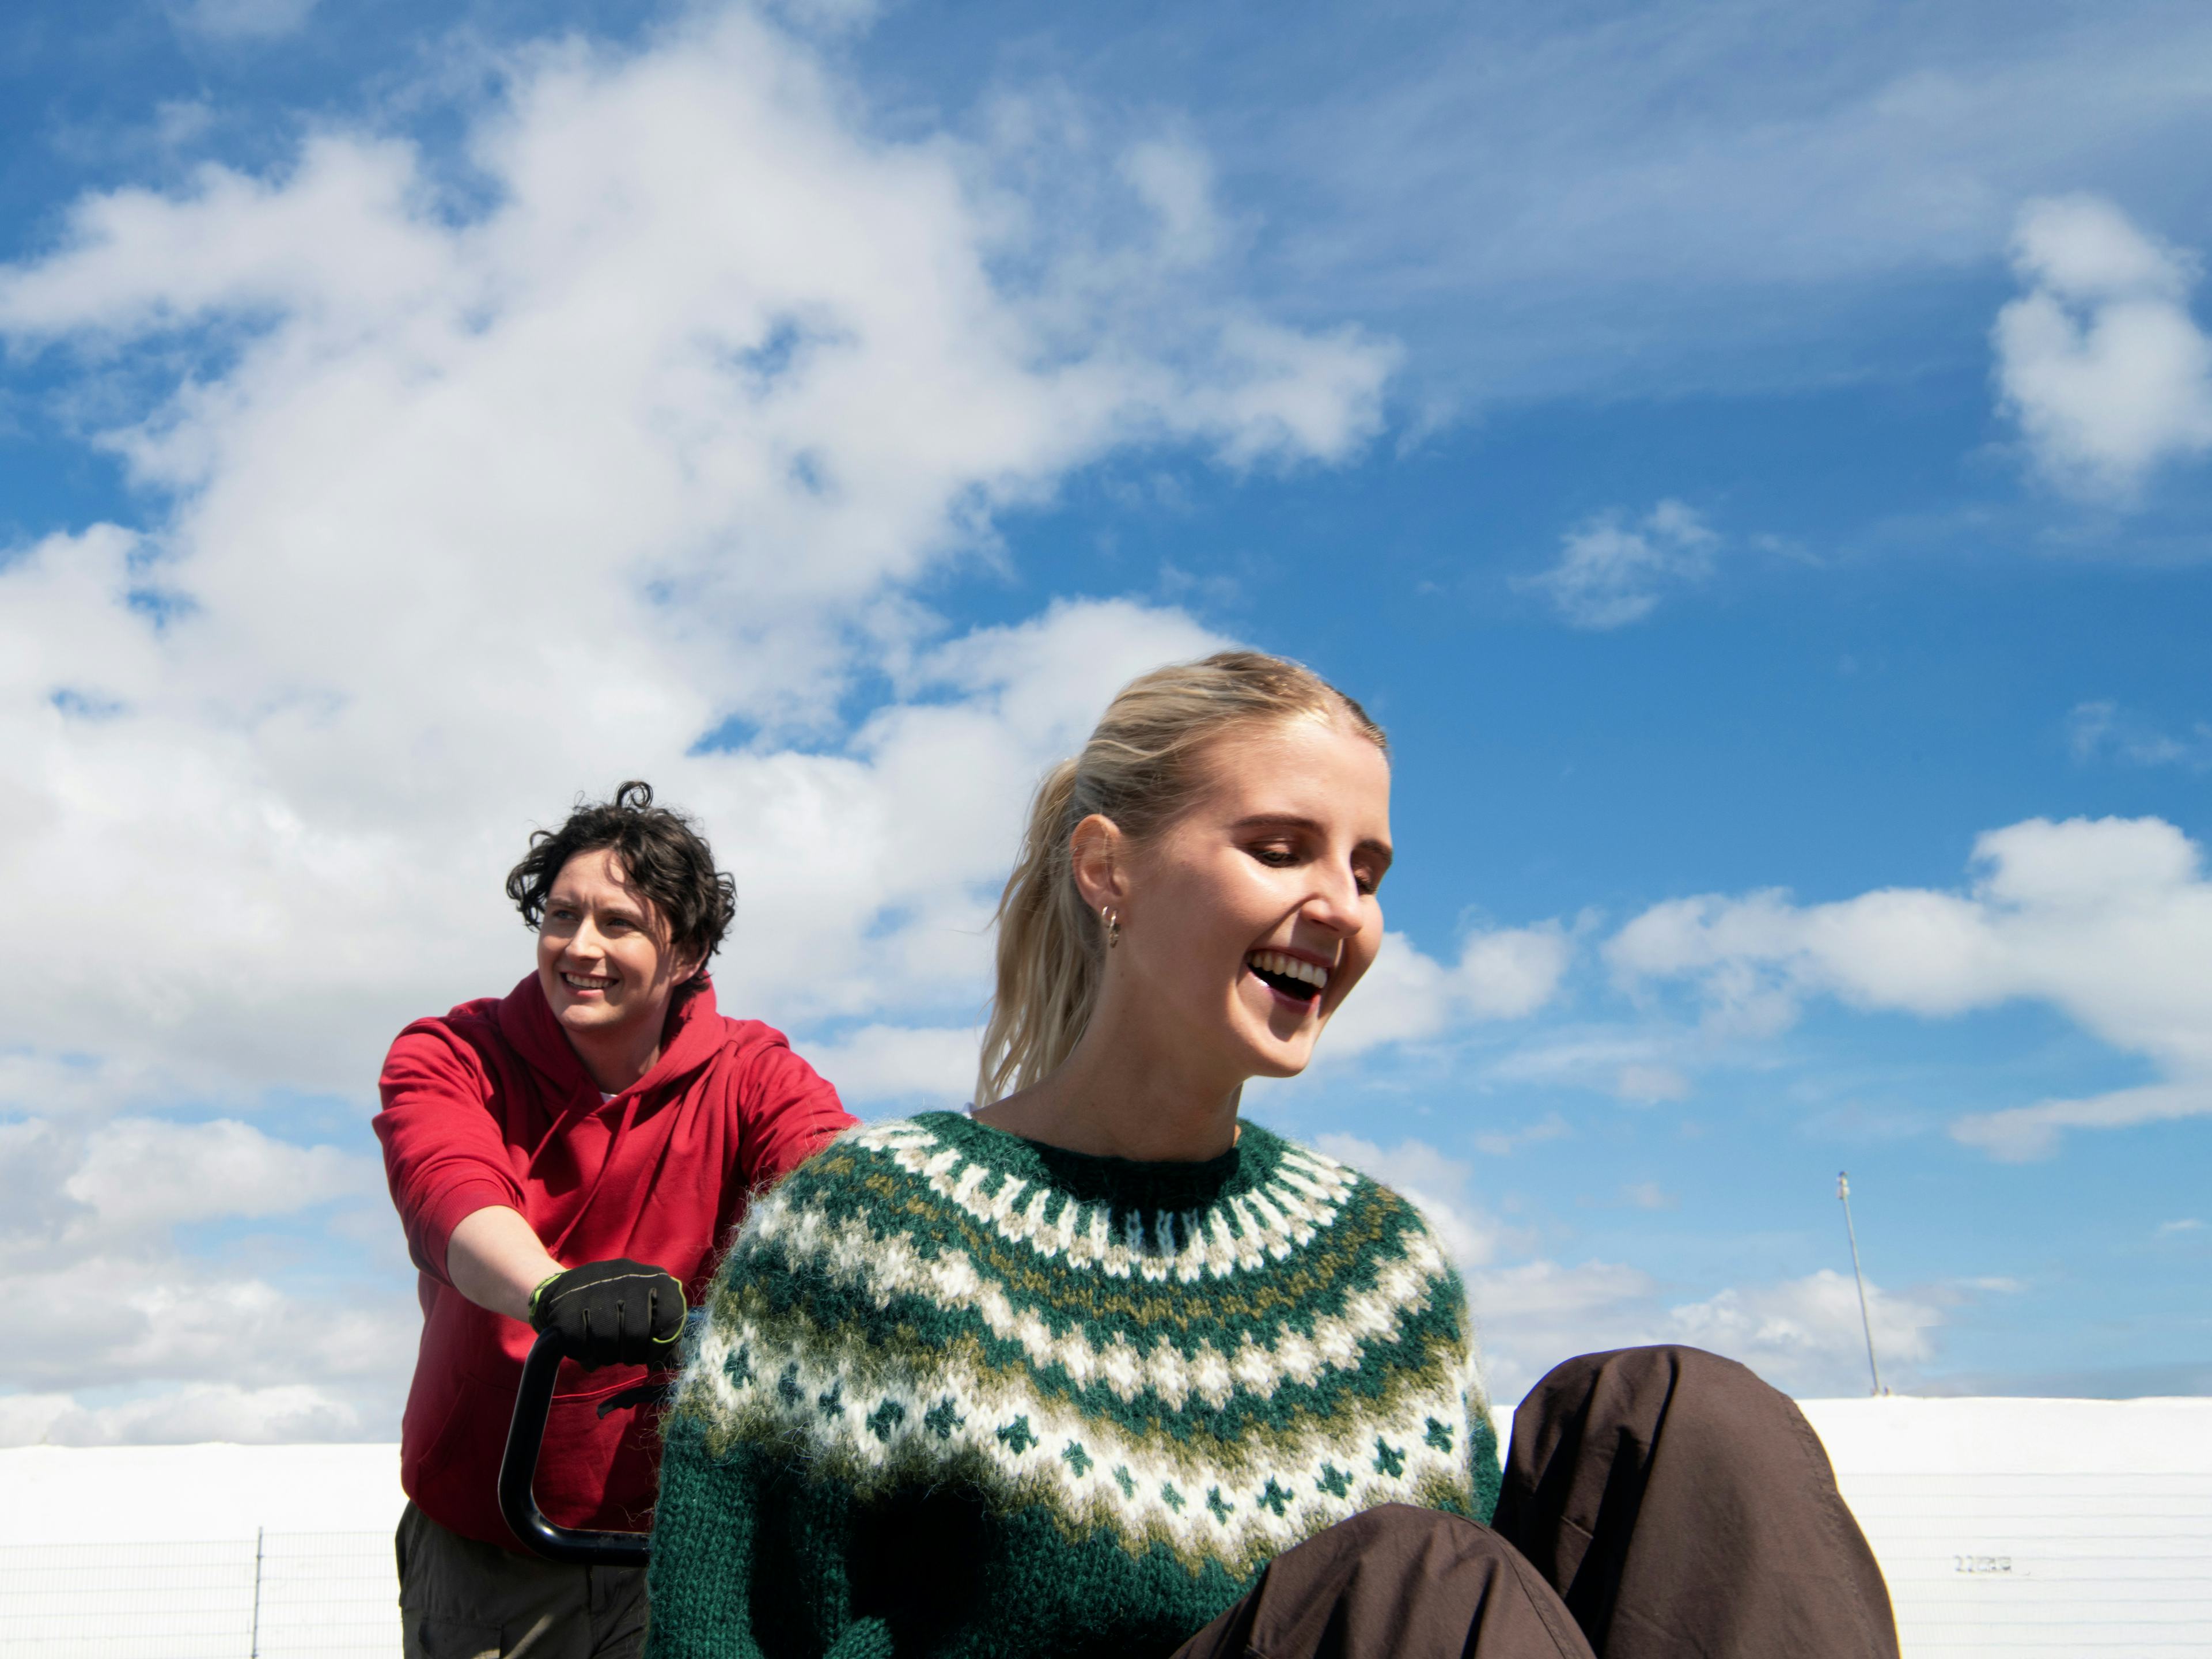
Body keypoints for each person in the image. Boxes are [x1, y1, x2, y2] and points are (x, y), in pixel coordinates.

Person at [642, 654, 1899, 1659]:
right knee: (1414, 1575)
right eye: (1281, 848)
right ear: (1109, 871)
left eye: (1369, 869)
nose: (1345, 906)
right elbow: (729, 1629)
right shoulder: (874, 1229)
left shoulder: (1380, 1263)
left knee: (1673, 1413)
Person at [376, 782, 857, 1659]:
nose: (581, 947)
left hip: (688, 1546)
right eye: (562, 916)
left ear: (689, 952)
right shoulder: (453, 1053)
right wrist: (554, 1294)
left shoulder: (753, 1072)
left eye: (619, 924)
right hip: (491, 1548)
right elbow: (450, 1193)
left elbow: (839, 1185)